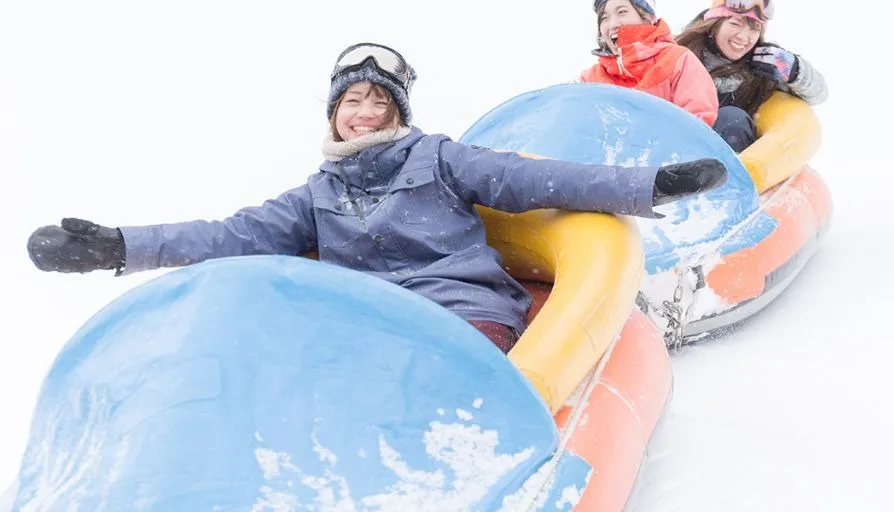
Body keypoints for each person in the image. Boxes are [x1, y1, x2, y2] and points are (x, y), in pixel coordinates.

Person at [27, 42, 728, 354]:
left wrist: (650, 184)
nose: (362, 111)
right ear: (334, 113)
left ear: (397, 111)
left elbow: (540, 181)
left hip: (461, 312)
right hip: (367, 322)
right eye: (351, 100)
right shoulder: (317, 194)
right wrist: (115, 246)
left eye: (377, 100)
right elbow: (225, 235)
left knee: (441, 368)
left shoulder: (440, 157)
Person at [675, 0, 828, 152]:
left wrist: (794, 70)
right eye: (735, 24)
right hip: (674, 148)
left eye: (754, 29)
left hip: (728, 157)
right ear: (715, 23)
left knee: (732, 118)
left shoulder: (762, 67)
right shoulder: (678, 54)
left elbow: (819, 94)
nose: (743, 37)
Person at [580, 0, 719, 127]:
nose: (612, 24)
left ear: (647, 17)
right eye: (604, 18)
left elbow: (697, 123)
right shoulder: (590, 78)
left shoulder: (677, 60)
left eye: (622, 12)